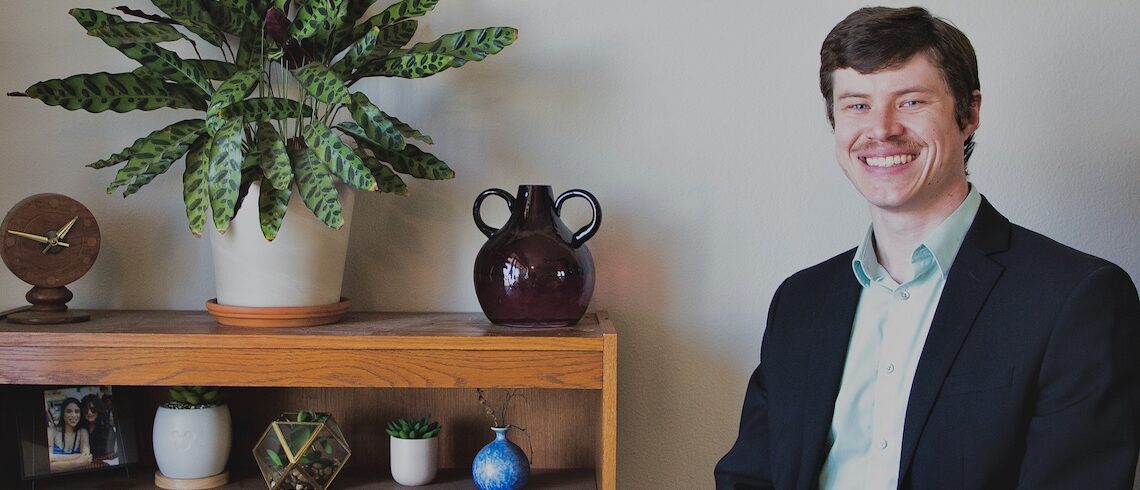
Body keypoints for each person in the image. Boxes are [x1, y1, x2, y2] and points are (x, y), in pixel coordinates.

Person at [715, 6, 1140, 489]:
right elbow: (747, 477)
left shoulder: (1075, 299)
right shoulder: (800, 302)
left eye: (911, 102)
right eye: (857, 105)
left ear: (969, 113)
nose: (881, 129)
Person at [49, 397, 92, 471]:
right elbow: (47, 462)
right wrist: (78, 461)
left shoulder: (82, 432)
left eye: (77, 411)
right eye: (69, 411)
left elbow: (86, 457)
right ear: (63, 414)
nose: (73, 415)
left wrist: (55, 460)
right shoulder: (51, 431)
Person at [79, 393, 120, 465]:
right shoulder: (80, 429)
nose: (89, 413)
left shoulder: (108, 429)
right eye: (86, 410)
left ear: (98, 410)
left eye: (93, 409)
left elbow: (111, 453)